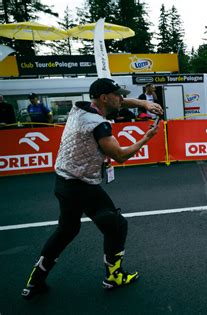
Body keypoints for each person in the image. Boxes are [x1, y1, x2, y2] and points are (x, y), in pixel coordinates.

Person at [21, 78, 163, 300]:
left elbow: (119, 104)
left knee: (67, 230)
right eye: (117, 95)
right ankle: (114, 277)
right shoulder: (98, 124)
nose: (121, 99)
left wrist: (144, 105)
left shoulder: (80, 108)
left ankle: (35, 280)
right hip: (82, 185)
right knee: (116, 226)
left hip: (63, 181)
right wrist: (146, 138)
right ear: (105, 97)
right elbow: (121, 155)